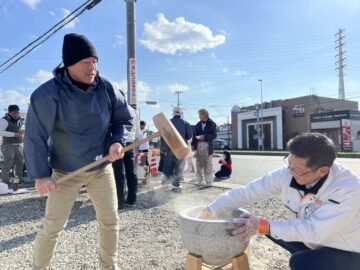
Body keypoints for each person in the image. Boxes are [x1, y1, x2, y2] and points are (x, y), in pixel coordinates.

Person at [24, 33, 132, 270]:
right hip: (65, 171)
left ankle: (108, 265)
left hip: (100, 167)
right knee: (52, 226)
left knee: (110, 221)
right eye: (85, 62)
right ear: (69, 64)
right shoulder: (47, 94)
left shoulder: (108, 89)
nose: (92, 67)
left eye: (95, 61)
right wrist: (41, 175)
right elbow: (35, 137)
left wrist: (117, 140)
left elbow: (123, 120)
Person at [199, 133, 360, 270]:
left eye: (296, 170)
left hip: (345, 249)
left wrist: (263, 225)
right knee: (259, 225)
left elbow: (315, 231)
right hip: (310, 240)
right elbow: (248, 192)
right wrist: (210, 210)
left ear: (322, 171)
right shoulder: (289, 172)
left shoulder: (348, 188)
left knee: (300, 262)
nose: (289, 171)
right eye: (288, 163)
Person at [112, 90, 139, 209]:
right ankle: (132, 199)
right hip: (131, 143)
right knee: (131, 173)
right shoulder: (134, 111)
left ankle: (119, 202)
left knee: (119, 173)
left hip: (120, 142)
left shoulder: (117, 109)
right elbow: (137, 130)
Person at [162, 107, 192, 191]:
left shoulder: (168, 122)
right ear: (181, 113)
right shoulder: (186, 123)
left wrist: (164, 147)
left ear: (173, 113)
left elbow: (163, 135)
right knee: (179, 167)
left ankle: (165, 184)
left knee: (168, 166)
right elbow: (189, 136)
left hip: (170, 148)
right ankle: (176, 185)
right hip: (182, 148)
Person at [0, 105, 25, 186]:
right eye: (14, 112)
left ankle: (17, 181)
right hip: (7, 144)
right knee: (8, 161)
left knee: (20, 163)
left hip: (19, 144)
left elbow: (22, 129)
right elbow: (1, 131)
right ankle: (5, 182)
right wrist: (14, 134)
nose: (16, 114)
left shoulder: (20, 120)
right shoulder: (4, 120)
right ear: (9, 112)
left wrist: (23, 133)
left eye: (17, 112)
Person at [191, 108, 217, 186]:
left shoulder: (212, 123)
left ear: (205, 114)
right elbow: (194, 136)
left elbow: (214, 135)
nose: (199, 116)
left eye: (200, 114)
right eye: (199, 114)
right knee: (198, 164)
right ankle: (200, 181)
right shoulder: (198, 124)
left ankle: (208, 182)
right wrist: (193, 145)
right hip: (198, 146)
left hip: (208, 146)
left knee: (208, 165)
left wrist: (205, 136)